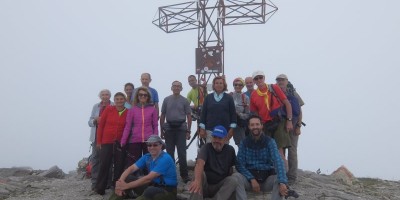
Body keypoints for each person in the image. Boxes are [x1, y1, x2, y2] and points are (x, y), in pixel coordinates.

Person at [234, 115, 289, 200]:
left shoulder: (270, 142)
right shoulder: (244, 143)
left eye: (257, 124)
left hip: (266, 179)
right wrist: (251, 178)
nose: (255, 127)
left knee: (279, 179)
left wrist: (283, 182)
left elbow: (278, 161)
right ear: (248, 127)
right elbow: (239, 164)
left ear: (261, 125)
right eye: (252, 125)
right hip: (249, 180)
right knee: (236, 177)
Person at [249, 70, 293, 171]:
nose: (259, 80)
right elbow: (254, 114)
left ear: (264, 78)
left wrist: (289, 120)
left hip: (278, 122)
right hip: (265, 125)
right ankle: (272, 175)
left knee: (279, 150)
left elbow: (287, 103)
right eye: (256, 78)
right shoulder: (254, 95)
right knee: (267, 150)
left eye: (260, 77)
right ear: (254, 81)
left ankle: (284, 178)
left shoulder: (273, 87)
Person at [112, 135, 178, 200]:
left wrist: (126, 186)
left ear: (161, 145)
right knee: (127, 178)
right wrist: (119, 184)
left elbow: (148, 179)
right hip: (153, 186)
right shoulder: (147, 156)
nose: (152, 147)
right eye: (149, 145)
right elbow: (130, 169)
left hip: (168, 192)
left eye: (155, 145)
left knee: (150, 191)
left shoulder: (165, 158)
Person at [188, 125, 239, 200]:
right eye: (215, 137)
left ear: (225, 139)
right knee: (199, 175)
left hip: (220, 187)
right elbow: (200, 163)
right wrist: (197, 181)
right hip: (205, 185)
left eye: (220, 138)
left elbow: (232, 168)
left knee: (233, 180)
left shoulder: (230, 150)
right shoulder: (206, 147)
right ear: (211, 138)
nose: (216, 140)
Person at [94, 92, 128, 195]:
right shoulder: (109, 109)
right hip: (106, 141)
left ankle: (116, 188)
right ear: (114, 100)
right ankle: (100, 188)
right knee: (104, 165)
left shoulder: (128, 111)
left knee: (119, 166)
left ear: (125, 100)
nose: (119, 101)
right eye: (117, 99)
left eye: (121, 99)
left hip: (120, 143)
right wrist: (99, 141)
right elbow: (101, 126)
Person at [160, 81, 192, 183]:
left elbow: (189, 116)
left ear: (181, 88)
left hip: (181, 128)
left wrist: (188, 131)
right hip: (169, 127)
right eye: (175, 86)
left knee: (182, 152)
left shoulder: (185, 100)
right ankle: (170, 174)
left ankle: (184, 175)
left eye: (178, 86)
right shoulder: (166, 100)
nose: (176, 88)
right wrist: (161, 130)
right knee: (169, 152)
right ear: (171, 88)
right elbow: (163, 115)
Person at [276, 74, 305, 184]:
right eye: (278, 80)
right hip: (280, 125)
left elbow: (300, 112)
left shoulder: (293, 93)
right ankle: (282, 173)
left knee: (292, 151)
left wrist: (298, 126)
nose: (280, 82)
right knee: (281, 150)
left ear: (287, 81)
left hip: (293, 125)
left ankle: (292, 177)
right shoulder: (275, 93)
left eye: (282, 80)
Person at [121, 87, 159, 169]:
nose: (143, 96)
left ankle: (149, 181)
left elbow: (155, 125)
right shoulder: (132, 110)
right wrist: (123, 140)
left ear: (148, 97)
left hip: (149, 141)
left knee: (149, 164)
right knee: (134, 163)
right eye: (140, 95)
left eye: (145, 95)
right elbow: (128, 126)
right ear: (137, 96)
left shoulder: (152, 110)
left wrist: (156, 140)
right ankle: (134, 181)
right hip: (134, 140)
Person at [88, 89, 113, 190]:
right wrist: (95, 120)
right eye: (103, 95)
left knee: (109, 160)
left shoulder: (113, 105)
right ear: (100, 96)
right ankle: (95, 182)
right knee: (96, 159)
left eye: (107, 94)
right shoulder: (96, 106)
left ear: (109, 96)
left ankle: (108, 183)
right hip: (96, 137)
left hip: (109, 137)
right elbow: (89, 122)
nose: (105, 96)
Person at [199, 76, 237, 143]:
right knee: (210, 151)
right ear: (214, 85)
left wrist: (232, 130)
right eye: (216, 83)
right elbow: (203, 114)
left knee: (224, 151)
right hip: (210, 130)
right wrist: (202, 129)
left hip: (225, 130)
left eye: (221, 83)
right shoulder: (208, 97)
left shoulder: (229, 98)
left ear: (224, 85)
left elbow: (233, 114)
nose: (219, 85)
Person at [230, 77, 250, 146]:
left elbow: (248, 114)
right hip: (228, 123)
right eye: (235, 85)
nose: (237, 86)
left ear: (243, 86)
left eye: (240, 85)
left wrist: (239, 114)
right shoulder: (229, 96)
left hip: (238, 125)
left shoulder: (245, 98)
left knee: (241, 144)